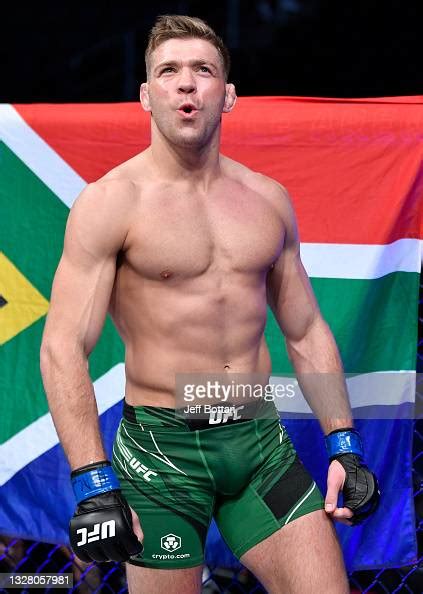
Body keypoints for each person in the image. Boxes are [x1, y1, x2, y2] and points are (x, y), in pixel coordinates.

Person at [40, 14, 379, 594]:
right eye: (168, 71)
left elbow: (305, 331)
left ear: (229, 95)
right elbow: (62, 345)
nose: (187, 83)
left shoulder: (267, 200)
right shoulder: (110, 203)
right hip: (161, 456)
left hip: (257, 443)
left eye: (203, 70)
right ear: (147, 96)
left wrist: (344, 445)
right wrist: (93, 484)